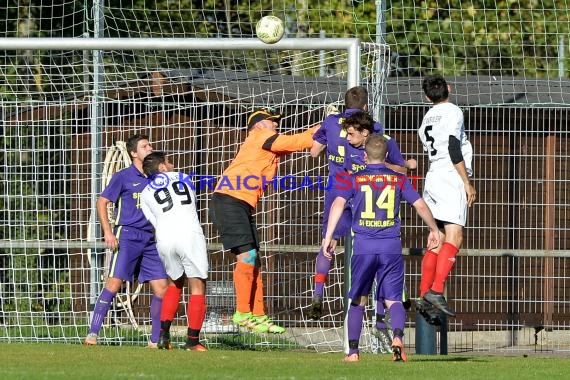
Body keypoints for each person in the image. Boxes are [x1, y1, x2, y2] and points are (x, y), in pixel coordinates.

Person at [322, 130, 441, 362]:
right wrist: (434, 229)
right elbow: (420, 205)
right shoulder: (398, 179)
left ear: (365, 156)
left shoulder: (353, 178)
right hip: (390, 247)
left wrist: (329, 236)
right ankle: (397, 337)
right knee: (393, 298)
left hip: (364, 247)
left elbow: (337, 203)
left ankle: (354, 353)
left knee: (358, 299)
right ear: (386, 156)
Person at [307, 86, 415, 323]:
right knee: (378, 242)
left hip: (339, 187)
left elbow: (314, 152)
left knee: (329, 242)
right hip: (367, 190)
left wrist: (326, 128)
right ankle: (390, 302)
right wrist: (408, 164)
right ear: (365, 107)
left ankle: (318, 295)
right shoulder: (374, 129)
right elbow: (391, 163)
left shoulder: (331, 122)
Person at [210, 108, 319, 334]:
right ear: (259, 126)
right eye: (272, 122)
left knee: (254, 261)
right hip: (229, 200)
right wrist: (329, 125)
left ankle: (258, 315)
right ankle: (242, 313)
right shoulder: (260, 137)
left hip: (240, 203)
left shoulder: (267, 143)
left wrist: (323, 128)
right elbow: (300, 140)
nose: (277, 125)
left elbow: (301, 141)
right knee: (248, 257)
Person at [84, 134, 168, 347]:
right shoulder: (123, 176)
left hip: (151, 239)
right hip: (128, 236)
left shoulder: (156, 177)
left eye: (150, 144)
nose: (150, 148)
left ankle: (155, 341)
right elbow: (101, 202)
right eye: (145, 146)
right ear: (133, 153)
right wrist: (108, 232)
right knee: (114, 283)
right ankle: (92, 334)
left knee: (161, 288)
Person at [416, 74, 476, 319]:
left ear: (427, 96)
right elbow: (453, 147)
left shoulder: (426, 119)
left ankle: (423, 296)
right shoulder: (453, 111)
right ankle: (436, 290)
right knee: (455, 235)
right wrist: (466, 182)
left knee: (437, 238)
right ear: (449, 89)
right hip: (450, 177)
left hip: (432, 178)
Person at [140, 152, 209, 352]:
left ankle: (163, 337)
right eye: (168, 161)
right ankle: (192, 341)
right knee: (197, 286)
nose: (172, 164)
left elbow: (153, 220)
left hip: (165, 238)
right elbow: (192, 204)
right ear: (161, 167)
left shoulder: (145, 193)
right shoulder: (183, 177)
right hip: (189, 233)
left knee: (174, 283)